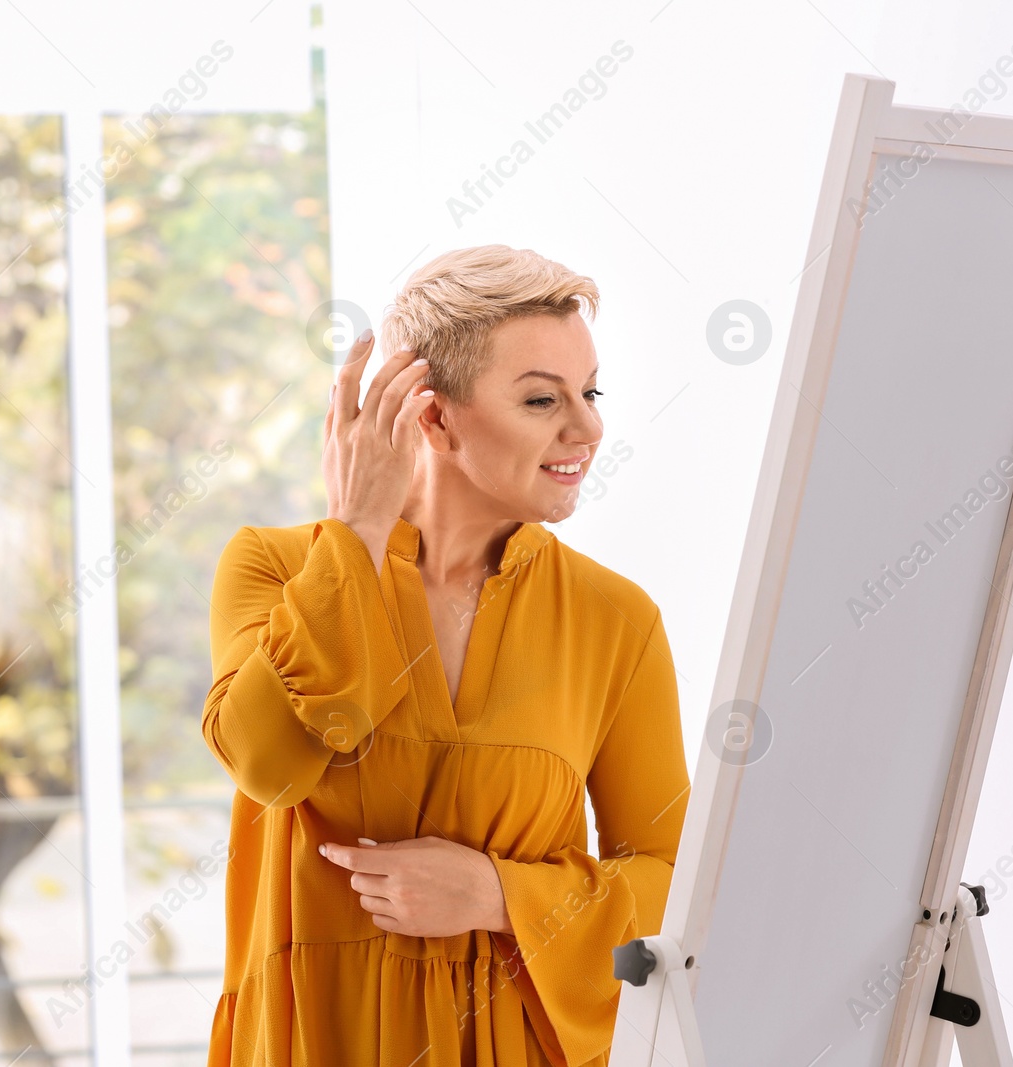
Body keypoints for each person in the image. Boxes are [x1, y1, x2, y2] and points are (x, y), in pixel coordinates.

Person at [201, 244, 690, 1066]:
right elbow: (269, 764)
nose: (589, 427)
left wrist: (504, 896)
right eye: (543, 399)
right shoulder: (273, 568)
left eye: (590, 392)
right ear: (431, 417)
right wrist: (354, 534)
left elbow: (679, 883)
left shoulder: (617, 620)